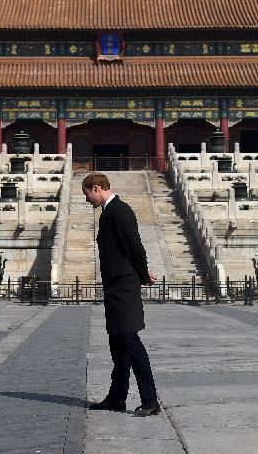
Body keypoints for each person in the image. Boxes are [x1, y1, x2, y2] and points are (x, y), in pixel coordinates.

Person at [82, 172, 160, 417]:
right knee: (118, 346)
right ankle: (116, 398)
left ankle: (150, 400)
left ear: (96, 188)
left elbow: (134, 245)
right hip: (114, 286)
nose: (87, 200)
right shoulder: (109, 211)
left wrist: (144, 273)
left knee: (130, 340)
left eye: (87, 194)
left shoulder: (120, 210)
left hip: (124, 285)